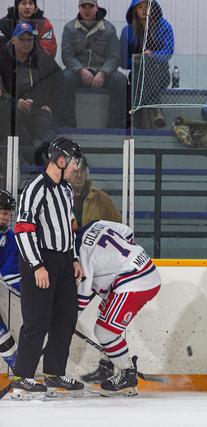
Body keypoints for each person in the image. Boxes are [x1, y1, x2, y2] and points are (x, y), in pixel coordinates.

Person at [11, 137, 85, 400]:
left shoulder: (65, 190)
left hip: (63, 261)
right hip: (40, 261)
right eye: (74, 162)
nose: (76, 168)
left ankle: (54, 373)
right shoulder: (35, 189)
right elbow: (23, 230)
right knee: (37, 321)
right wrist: (36, 265)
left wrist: (73, 258)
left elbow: (68, 228)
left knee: (66, 317)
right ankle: (22, 378)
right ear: (61, 160)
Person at [76, 220, 161, 396]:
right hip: (142, 267)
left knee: (104, 332)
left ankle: (127, 375)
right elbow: (127, 231)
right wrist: (121, 260)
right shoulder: (95, 224)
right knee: (104, 315)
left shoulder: (79, 251)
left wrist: (67, 320)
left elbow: (82, 297)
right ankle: (109, 365)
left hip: (134, 281)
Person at [0, 21, 63, 165]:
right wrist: (15, 103)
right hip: (10, 109)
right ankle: (18, 163)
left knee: (46, 127)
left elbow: (60, 82)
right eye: (22, 39)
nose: (26, 43)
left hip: (37, 108)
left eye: (30, 39)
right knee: (12, 122)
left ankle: (53, 164)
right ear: (13, 40)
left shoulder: (42, 58)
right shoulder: (2, 57)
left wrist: (51, 105)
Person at [60, 0, 128, 129]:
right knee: (63, 78)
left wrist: (103, 73)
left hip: (102, 71)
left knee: (121, 81)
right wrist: (80, 70)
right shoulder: (69, 28)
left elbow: (114, 57)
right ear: (79, 8)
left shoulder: (108, 29)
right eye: (83, 6)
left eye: (91, 6)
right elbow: (67, 56)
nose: (87, 10)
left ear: (97, 8)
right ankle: (67, 125)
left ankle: (115, 126)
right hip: (77, 72)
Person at [120, 0, 174, 129]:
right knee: (141, 74)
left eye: (147, 6)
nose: (144, 10)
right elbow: (123, 61)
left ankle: (137, 118)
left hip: (160, 75)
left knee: (146, 73)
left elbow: (168, 52)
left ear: (153, 8)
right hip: (137, 75)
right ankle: (156, 109)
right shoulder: (127, 31)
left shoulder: (164, 26)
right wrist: (138, 60)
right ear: (134, 10)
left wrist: (152, 56)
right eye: (140, 7)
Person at [67, 158, 121, 227]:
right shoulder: (59, 198)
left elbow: (117, 227)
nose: (79, 175)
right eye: (75, 171)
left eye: (82, 170)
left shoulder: (102, 199)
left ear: (87, 173)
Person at [0, 190, 20, 371]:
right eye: (4, 213)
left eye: (8, 214)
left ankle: (18, 367)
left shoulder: (8, 237)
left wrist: (33, 295)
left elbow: (11, 273)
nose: (7, 218)